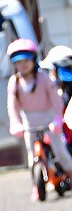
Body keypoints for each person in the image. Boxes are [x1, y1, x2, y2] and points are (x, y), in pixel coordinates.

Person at [6, 39, 72, 177]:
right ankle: (36, 184)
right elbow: (12, 106)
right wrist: (15, 122)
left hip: (48, 116)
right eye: (19, 62)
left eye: (26, 60)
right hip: (29, 120)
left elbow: (55, 100)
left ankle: (70, 173)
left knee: (60, 151)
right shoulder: (14, 82)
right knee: (32, 154)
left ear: (33, 59)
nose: (23, 65)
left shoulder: (44, 78)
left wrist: (58, 118)